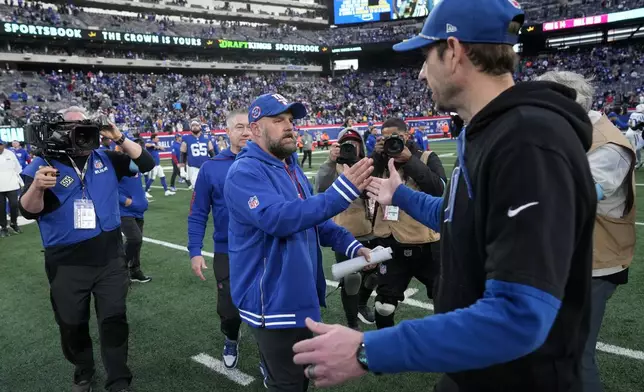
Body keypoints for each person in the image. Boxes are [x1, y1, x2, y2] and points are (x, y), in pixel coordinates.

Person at [292, 1, 597, 391]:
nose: (420, 73)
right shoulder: (486, 132)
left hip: (521, 377)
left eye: (425, 57)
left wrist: (368, 350)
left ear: (453, 51)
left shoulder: (528, 140)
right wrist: (399, 195)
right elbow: (460, 216)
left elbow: (519, 316)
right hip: (476, 368)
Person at [223, 93, 374, 392]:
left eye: (290, 120)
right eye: (278, 120)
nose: (289, 127)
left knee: (301, 379)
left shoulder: (288, 166)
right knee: (289, 385)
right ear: (255, 130)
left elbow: (312, 219)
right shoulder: (244, 171)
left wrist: (351, 244)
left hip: (297, 295)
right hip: (272, 302)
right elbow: (277, 218)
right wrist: (338, 194)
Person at [19, 106, 155, 392]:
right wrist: (38, 189)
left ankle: (118, 378)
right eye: (73, 127)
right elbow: (29, 211)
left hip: (110, 257)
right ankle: (84, 369)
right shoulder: (44, 162)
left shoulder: (106, 157)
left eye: (85, 126)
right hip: (67, 262)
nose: (81, 133)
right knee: (72, 324)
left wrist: (117, 135)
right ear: (59, 130)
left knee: (114, 319)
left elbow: (145, 163)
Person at [538, 71, 637, 392]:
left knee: (577, 356)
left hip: (595, 264)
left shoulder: (609, 146)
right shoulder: (573, 133)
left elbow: (566, 198)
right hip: (571, 260)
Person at [187, 109, 252, 369]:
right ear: (227, 132)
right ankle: (231, 337)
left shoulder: (270, 162)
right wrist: (195, 250)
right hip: (228, 250)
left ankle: (270, 354)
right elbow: (197, 213)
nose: (246, 131)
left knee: (267, 305)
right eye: (239, 127)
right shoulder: (211, 168)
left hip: (265, 247)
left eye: (250, 126)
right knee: (229, 309)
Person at [370, 117, 446, 329]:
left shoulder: (427, 156)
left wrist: (410, 160)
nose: (391, 142)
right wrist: (376, 157)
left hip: (427, 242)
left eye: (396, 137)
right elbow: (360, 190)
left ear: (407, 136)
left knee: (446, 297)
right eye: (385, 139)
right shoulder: (380, 160)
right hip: (390, 242)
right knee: (384, 305)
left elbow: (440, 190)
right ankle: (385, 352)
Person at [316, 128, 378, 329]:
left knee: (376, 275)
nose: (351, 146)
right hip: (344, 232)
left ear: (361, 144)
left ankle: (361, 303)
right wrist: (330, 162)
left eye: (354, 142)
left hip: (372, 229)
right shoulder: (335, 167)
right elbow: (320, 188)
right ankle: (352, 321)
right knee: (352, 279)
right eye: (346, 142)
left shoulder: (368, 164)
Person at [118, 137, 152, 284]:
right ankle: (119, 270)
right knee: (134, 239)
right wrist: (125, 201)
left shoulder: (136, 164)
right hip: (125, 211)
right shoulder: (118, 164)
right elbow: (109, 187)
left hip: (138, 210)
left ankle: (135, 270)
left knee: (137, 243)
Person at [180, 119, 215, 190]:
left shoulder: (206, 138)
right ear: (190, 127)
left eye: (196, 125)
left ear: (200, 127)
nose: (195, 127)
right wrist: (182, 169)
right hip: (193, 168)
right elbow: (182, 154)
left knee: (209, 188)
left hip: (206, 167)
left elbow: (212, 153)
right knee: (197, 189)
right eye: (193, 125)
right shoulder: (186, 138)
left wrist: (215, 164)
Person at [0, 139, 23, 237]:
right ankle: (3, 228)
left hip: (12, 184)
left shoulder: (10, 154)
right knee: (1, 208)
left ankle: (14, 223)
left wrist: (20, 182)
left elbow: (17, 168)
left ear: (3, 145)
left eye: (0, 145)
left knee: (14, 205)